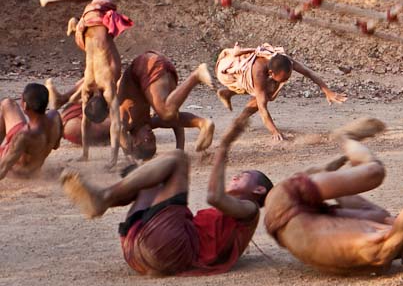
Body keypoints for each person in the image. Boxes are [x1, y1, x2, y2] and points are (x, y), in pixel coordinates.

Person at [60, 111, 271, 276]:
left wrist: (223, 147)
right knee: (148, 180)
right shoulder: (234, 218)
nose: (235, 176)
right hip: (143, 251)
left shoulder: (250, 210)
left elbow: (214, 196)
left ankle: (104, 197)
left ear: (258, 190)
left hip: (167, 248)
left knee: (179, 159)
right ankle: (103, 197)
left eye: (243, 175)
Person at [264, 117, 403, 274]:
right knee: (369, 202)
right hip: (287, 219)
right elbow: (345, 197)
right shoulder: (379, 230)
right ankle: (331, 166)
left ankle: (346, 138)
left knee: (376, 172)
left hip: (286, 203)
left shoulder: (384, 244)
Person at [49, 52, 215, 159]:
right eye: (154, 140)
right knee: (169, 114)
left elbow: (120, 138)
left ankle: (196, 75)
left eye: (147, 141)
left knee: (165, 112)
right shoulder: (149, 123)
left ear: (135, 141)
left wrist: (127, 153)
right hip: (161, 68)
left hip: (144, 67)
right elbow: (177, 123)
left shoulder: (124, 123)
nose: (151, 136)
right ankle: (203, 122)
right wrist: (179, 151)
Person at [39, 0, 131, 166]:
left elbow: (103, 125)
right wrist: (113, 159)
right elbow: (97, 124)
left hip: (93, 23)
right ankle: (69, 17)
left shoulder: (103, 84)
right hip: (86, 32)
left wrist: (86, 154)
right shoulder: (93, 87)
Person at [215, 44, 346, 141]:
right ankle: (239, 120)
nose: (285, 81)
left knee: (264, 90)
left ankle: (227, 94)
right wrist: (274, 132)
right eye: (284, 78)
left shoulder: (284, 60)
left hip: (241, 67)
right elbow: (263, 109)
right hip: (226, 71)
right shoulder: (259, 74)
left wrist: (328, 91)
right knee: (264, 94)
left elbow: (309, 73)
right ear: (271, 73)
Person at [0, 83, 62, 180]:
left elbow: (2, 170)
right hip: (35, 166)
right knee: (8, 103)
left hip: (18, 173)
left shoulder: (24, 136)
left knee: (5, 104)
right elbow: (56, 146)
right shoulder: (55, 117)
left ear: (24, 105)